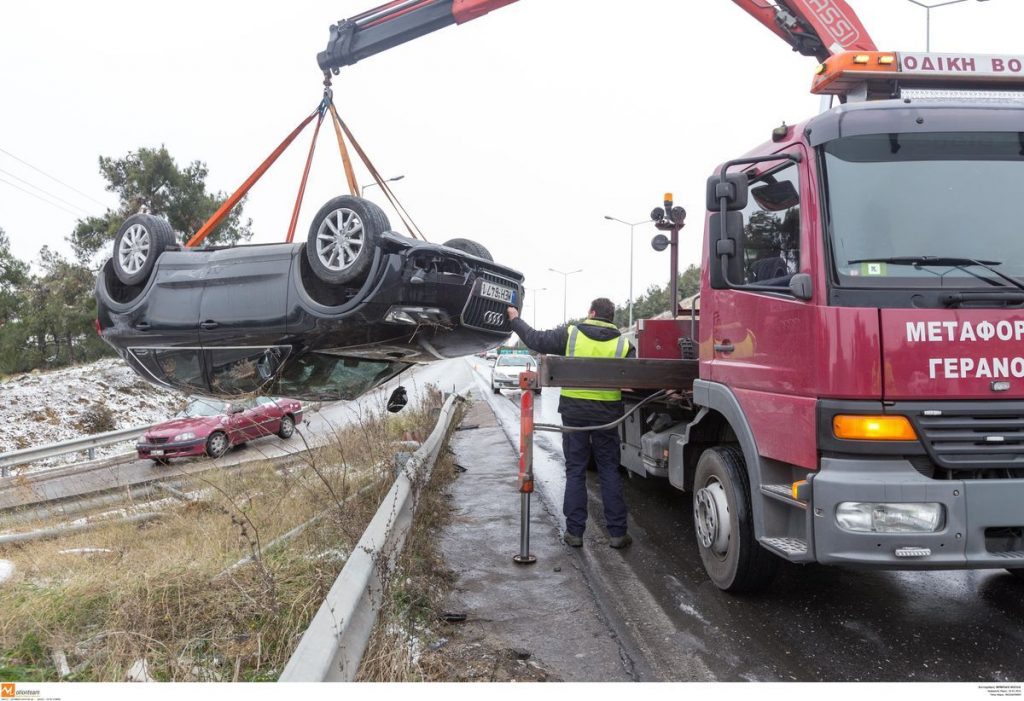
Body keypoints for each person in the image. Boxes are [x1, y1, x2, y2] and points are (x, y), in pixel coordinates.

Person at [506, 297, 635, 549]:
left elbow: (535, 339)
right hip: (607, 416)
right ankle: (618, 533)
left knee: (575, 470)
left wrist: (514, 320)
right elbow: (635, 377)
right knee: (609, 470)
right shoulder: (623, 343)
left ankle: (575, 533)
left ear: (591, 312)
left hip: (574, 413)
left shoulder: (572, 334)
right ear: (611, 318)